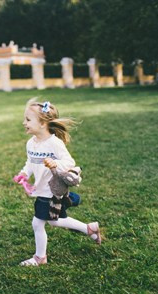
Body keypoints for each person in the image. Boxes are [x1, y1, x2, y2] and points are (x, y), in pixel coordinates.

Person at [16, 98, 102, 267]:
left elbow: (69, 162)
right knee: (55, 221)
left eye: (27, 119)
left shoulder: (54, 143)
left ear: (42, 123)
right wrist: (24, 173)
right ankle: (89, 229)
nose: (23, 123)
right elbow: (30, 162)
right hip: (41, 189)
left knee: (37, 222)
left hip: (52, 190)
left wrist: (56, 164)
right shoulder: (31, 143)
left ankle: (40, 257)